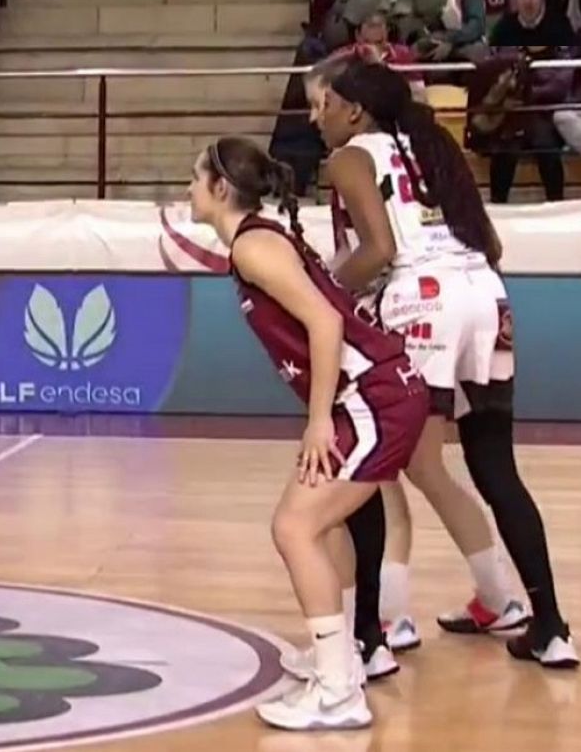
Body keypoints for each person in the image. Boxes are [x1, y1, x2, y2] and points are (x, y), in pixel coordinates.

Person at [314, 60, 579, 668]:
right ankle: (549, 625)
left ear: (354, 110)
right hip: (485, 292)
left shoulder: (351, 156)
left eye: (326, 103)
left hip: (420, 301)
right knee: (495, 469)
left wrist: (321, 286)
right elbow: (490, 241)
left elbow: (378, 251)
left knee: (377, 462)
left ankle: (377, 629)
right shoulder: (433, 143)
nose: (318, 115)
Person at [187, 136, 428, 731]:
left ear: (220, 189)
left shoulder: (253, 248)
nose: (187, 189)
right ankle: (337, 657)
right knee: (323, 527)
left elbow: (324, 321)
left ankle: (340, 691)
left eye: (195, 179)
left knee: (294, 527)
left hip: (374, 397)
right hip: (376, 393)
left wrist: (320, 419)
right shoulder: (262, 239)